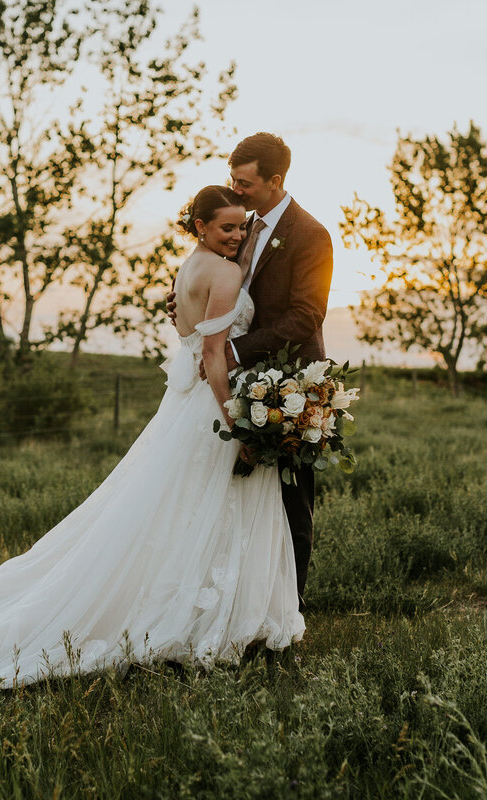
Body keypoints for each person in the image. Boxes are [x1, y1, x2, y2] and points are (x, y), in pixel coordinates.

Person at [0, 185, 304, 690]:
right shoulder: (226, 270)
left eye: (242, 226)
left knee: (181, 515)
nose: (238, 236)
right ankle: (202, 620)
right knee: (207, 511)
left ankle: (199, 611)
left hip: (186, 405)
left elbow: (190, 338)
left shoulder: (190, 264)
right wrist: (235, 423)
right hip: (212, 406)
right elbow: (214, 356)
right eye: (227, 228)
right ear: (201, 226)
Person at [169, 133, 334, 609]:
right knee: (240, 504)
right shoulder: (238, 227)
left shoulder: (311, 236)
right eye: (231, 179)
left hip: (288, 385)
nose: (234, 189)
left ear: (274, 180)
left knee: (291, 502)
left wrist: (234, 348)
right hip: (232, 381)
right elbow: (221, 287)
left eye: (243, 182)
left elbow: (306, 317)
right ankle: (237, 603)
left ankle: (289, 609)